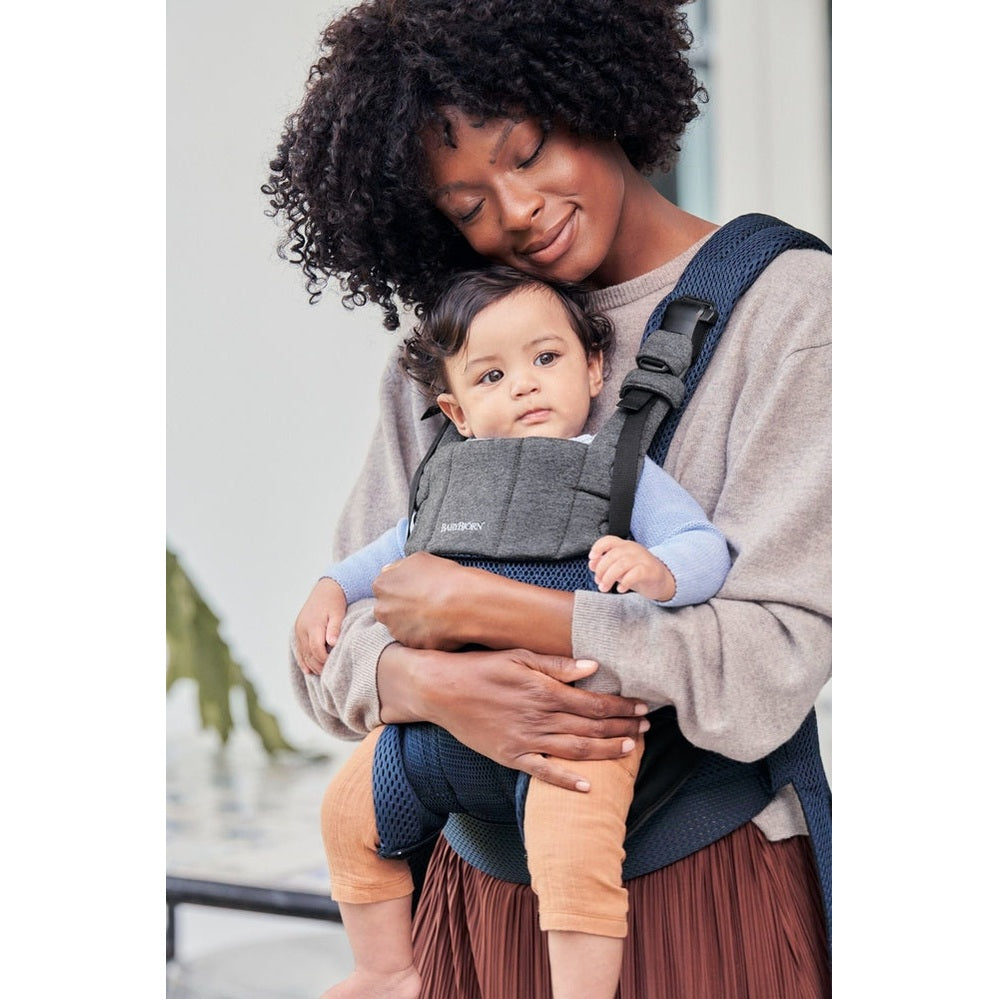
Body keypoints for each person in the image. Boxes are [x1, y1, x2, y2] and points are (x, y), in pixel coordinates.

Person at [265, 1, 831, 996]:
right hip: (469, 907)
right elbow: (330, 658)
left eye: (526, 152)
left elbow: (771, 663)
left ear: (596, 93)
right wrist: (427, 685)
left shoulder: (793, 310)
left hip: (696, 893)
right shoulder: (450, 356)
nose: (516, 210)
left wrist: (505, 615)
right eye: (468, 202)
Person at [303, 266, 731, 999]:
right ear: (456, 409)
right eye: (492, 373)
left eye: (546, 358)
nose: (525, 384)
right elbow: (378, 558)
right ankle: (384, 969)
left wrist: (659, 568)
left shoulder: (618, 469)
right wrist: (330, 588)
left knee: (574, 855)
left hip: (571, 732)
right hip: (437, 729)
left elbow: (705, 545)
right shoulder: (446, 480)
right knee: (345, 812)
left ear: (594, 368)